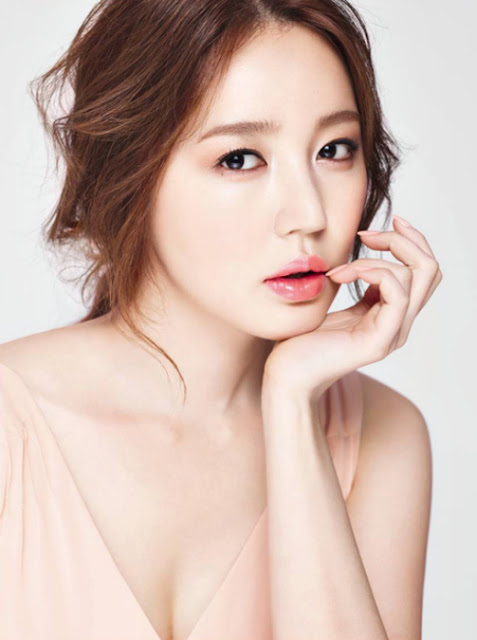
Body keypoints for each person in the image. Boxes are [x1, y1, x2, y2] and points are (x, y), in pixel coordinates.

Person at [0, 1, 441, 639]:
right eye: (239, 159)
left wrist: (291, 402)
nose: (308, 214)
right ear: (131, 171)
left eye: (334, 149)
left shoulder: (383, 437)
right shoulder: (11, 426)